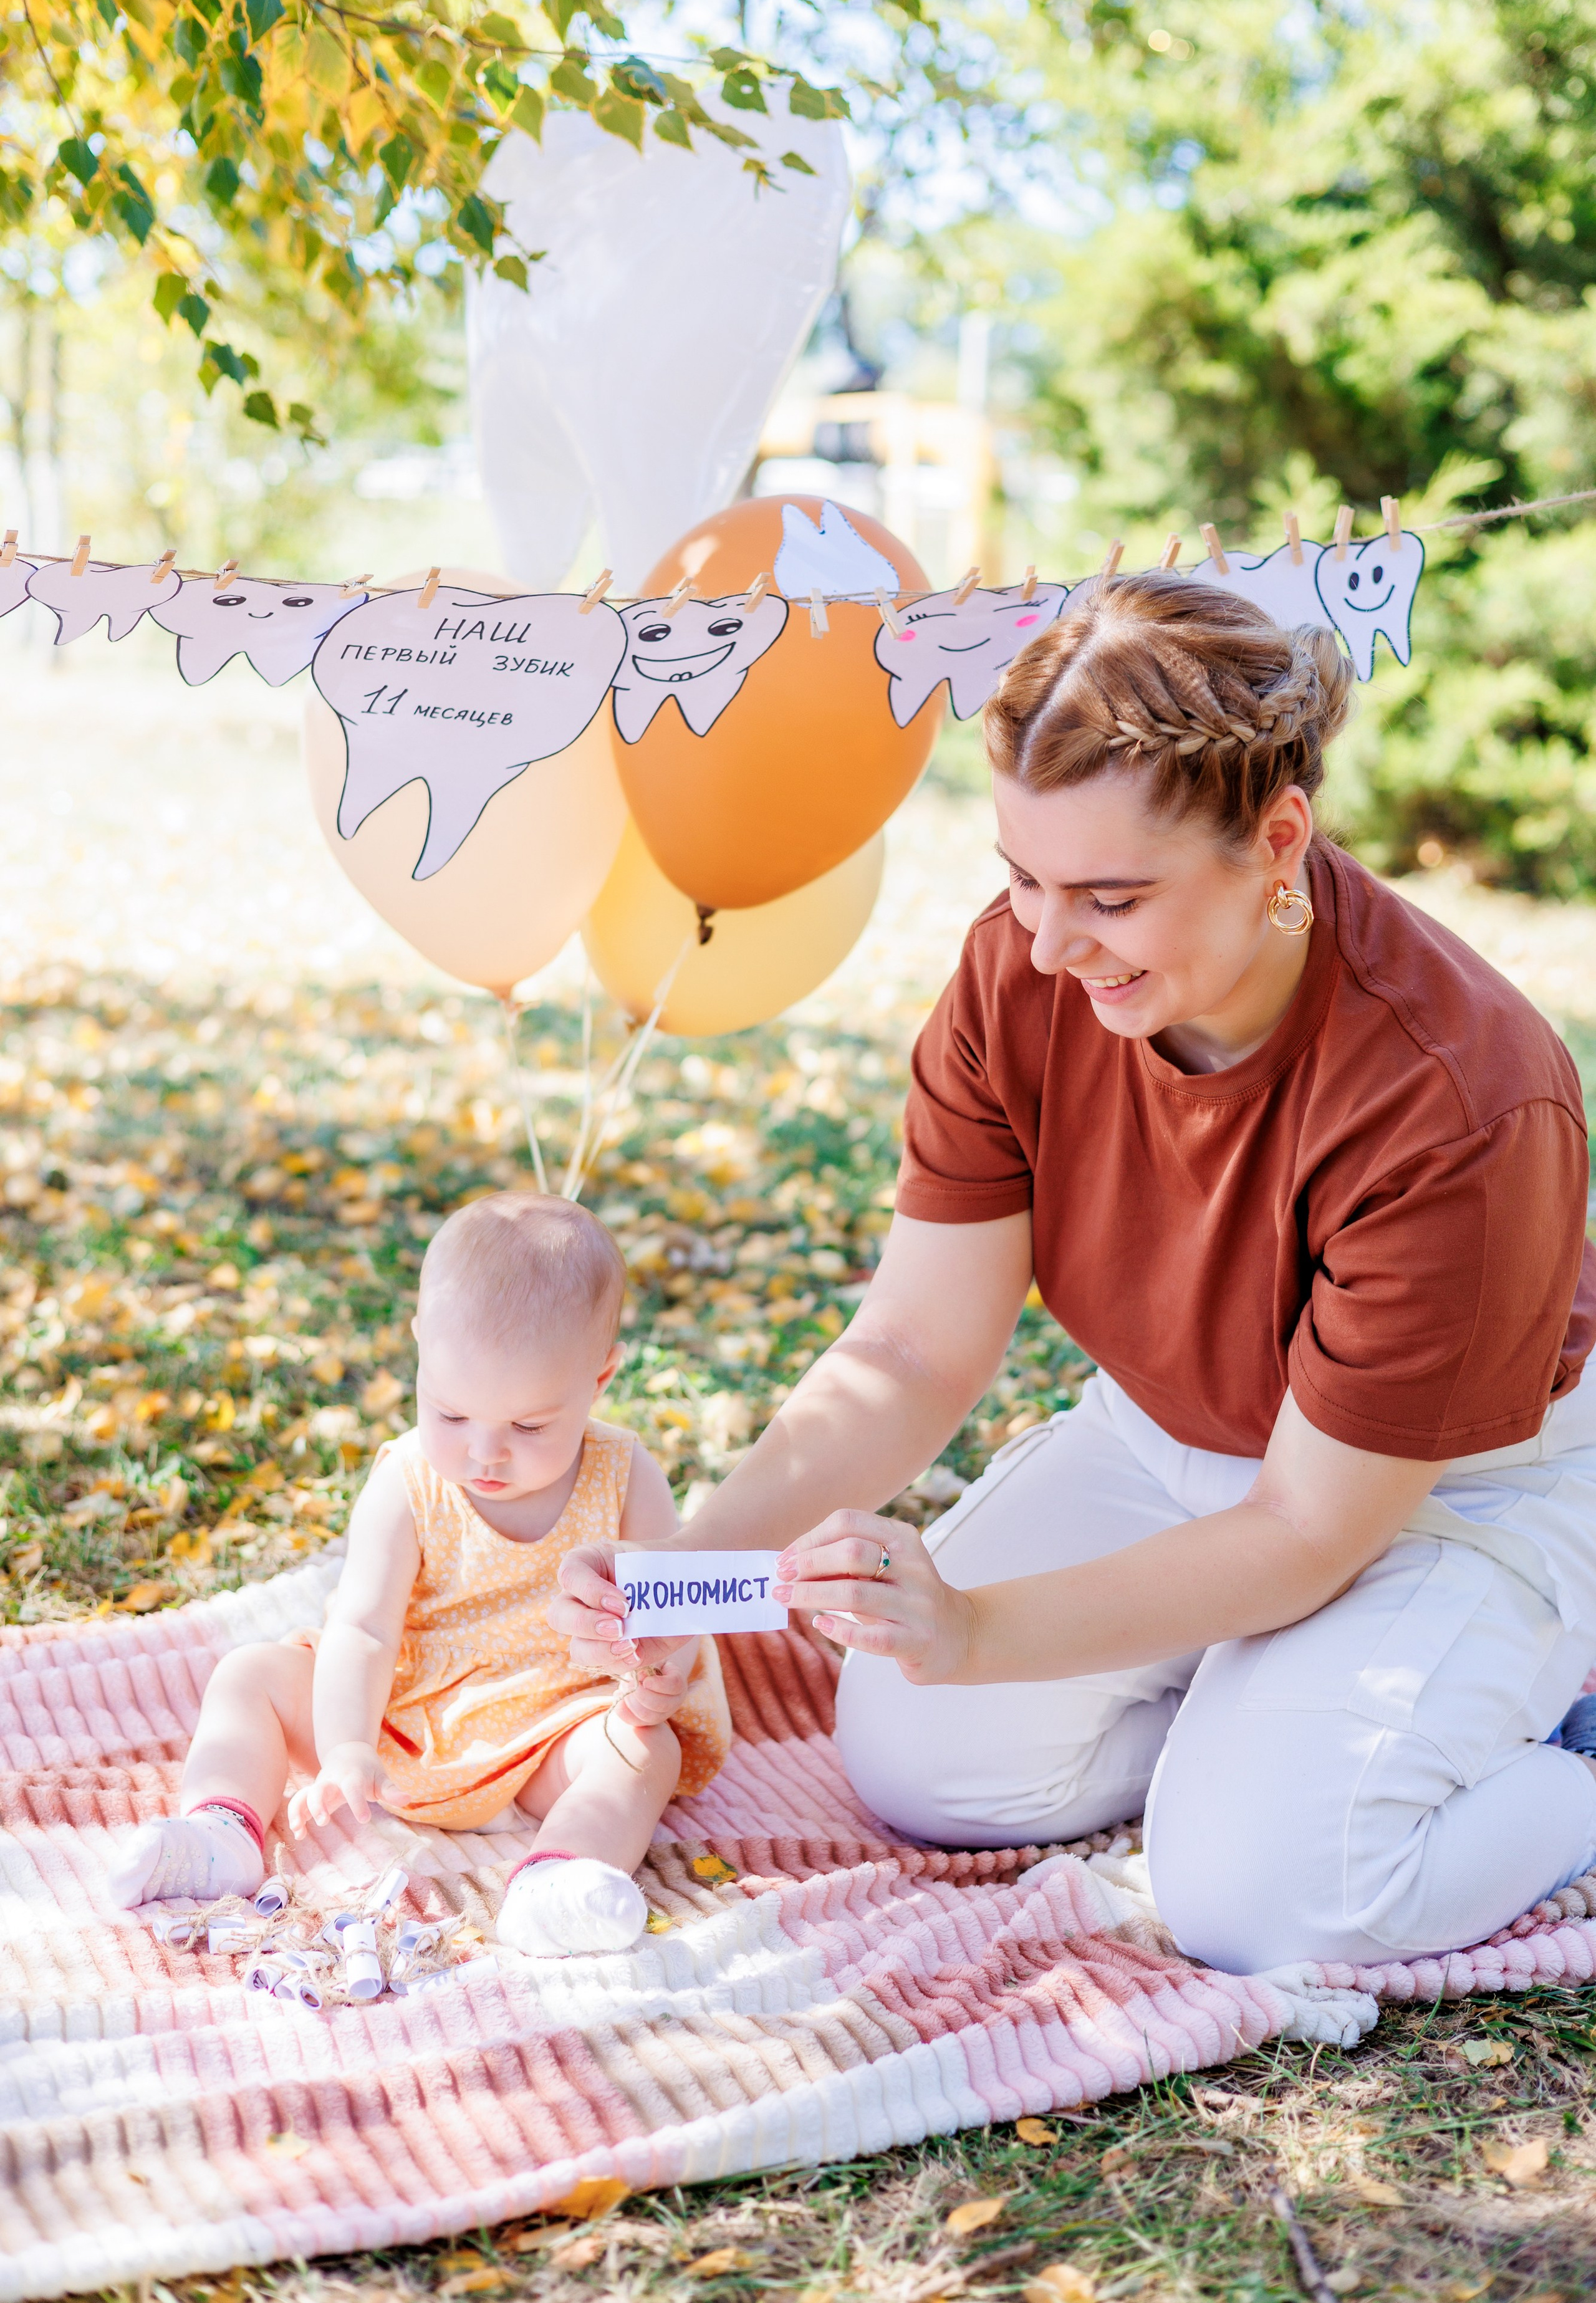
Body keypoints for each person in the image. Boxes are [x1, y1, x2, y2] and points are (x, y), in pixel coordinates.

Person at [554, 569, 1596, 1978]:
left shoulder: (1459, 1096)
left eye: (1107, 894)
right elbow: (914, 1351)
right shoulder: (1024, 973)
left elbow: (1304, 1529)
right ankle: (1277, 1722)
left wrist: (977, 1622)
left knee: (1267, 1901)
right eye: (1021, 879)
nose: (1046, 944)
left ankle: (1550, 1758)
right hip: (1172, 1436)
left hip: (1434, 1494)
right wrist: (688, 1574)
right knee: (925, 1764)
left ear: (1274, 839)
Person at [108, 1192, 729, 1956]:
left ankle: (559, 1876)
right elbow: (363, 1627)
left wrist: (659, 1676)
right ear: (419, 1353)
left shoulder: (624, 1475)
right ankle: (221, 1829)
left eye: (530, 1426)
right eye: (451, 1412)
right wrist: (345, 1745)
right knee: (249, 1676)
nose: (484, 1453)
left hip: (548, 1735)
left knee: (643, 1752)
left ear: (599, 1379)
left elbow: (672, 1610)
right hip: (398, 1722)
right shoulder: (408, 1479)